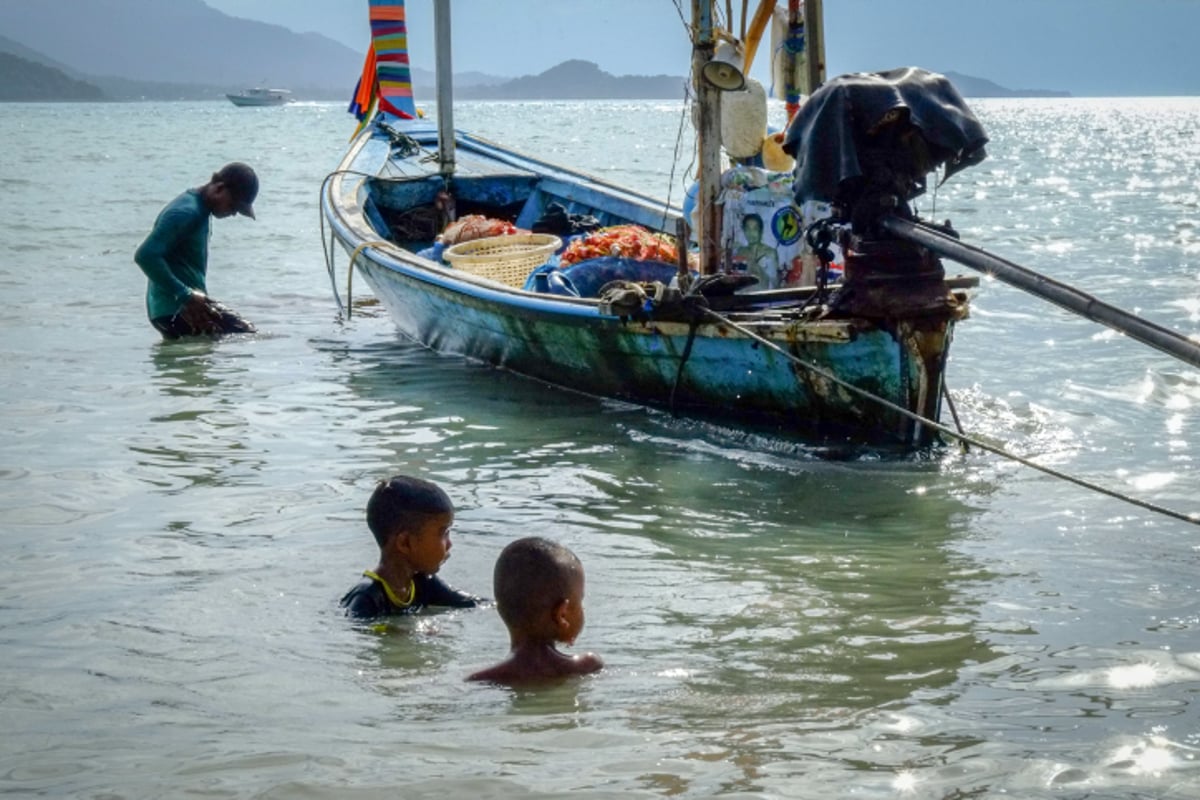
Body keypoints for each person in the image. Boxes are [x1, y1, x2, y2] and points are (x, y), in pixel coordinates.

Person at [134, 162, 259, 339]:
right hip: (176, 310)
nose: (233, 213)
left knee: (199, 359)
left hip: (179, 308)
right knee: (246, 336)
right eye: (233, 206)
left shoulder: (200, 210)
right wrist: (184, 295)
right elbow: (145, 255)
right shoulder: (187, 212)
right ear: (219, 188)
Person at [340, 475, 482, 619]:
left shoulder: (425, 584)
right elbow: (358, 632)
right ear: (405, 543)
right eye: (443, 533)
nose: (449, 544)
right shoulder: (366, 597)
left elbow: (476, 604)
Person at [467, 536, 602, 684]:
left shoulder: (482, 679)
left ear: (500, 609)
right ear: (562, 615)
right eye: (580, 601)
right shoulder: (587, 666)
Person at [733, 212, 780, 288]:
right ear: (744, 231)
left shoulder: (770, 253)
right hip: (744, 297)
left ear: (761, 231)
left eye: (755, 229)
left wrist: (764, 268)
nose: (751, 233)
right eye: (748, 229)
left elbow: (776, 284)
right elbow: (737, 281)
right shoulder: (740, 252)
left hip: (763, 297)